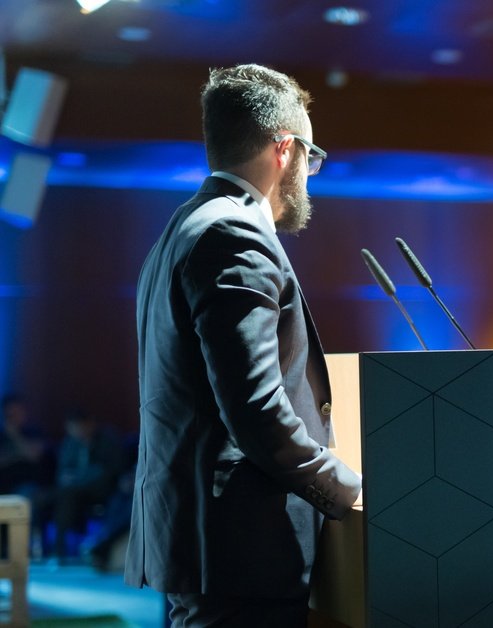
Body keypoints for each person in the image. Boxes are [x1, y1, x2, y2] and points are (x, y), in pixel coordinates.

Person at [127, 64, 361, 626]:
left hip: (203, 539)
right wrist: (346, 487)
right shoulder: (235, 237)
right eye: (312, 156)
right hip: (240, 546)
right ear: (286, 149)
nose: (310, 171)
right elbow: (254, 408)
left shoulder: (181, 229)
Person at [50, 409, 123, 560]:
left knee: (67, 494)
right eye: (72, 427)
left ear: (89, 424)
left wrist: (78, 477)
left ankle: (62, 547)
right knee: (63, 496)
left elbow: (107, 471)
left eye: (79, 426)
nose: (77, 431)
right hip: (74, 492)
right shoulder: (70, 443)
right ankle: (59, 548)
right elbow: (62, 472)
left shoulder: (106, 440)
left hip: (103, 490)